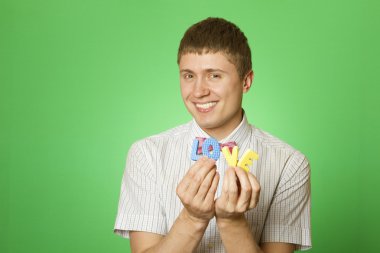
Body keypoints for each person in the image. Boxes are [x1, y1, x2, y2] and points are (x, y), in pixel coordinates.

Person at [114, 17, 311, 253]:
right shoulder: (146, 155)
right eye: (188, 75)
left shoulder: (289, 164)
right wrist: (192, 218)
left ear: (246, 81)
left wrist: (231, 222)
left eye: (214, 75)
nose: (198, 91)